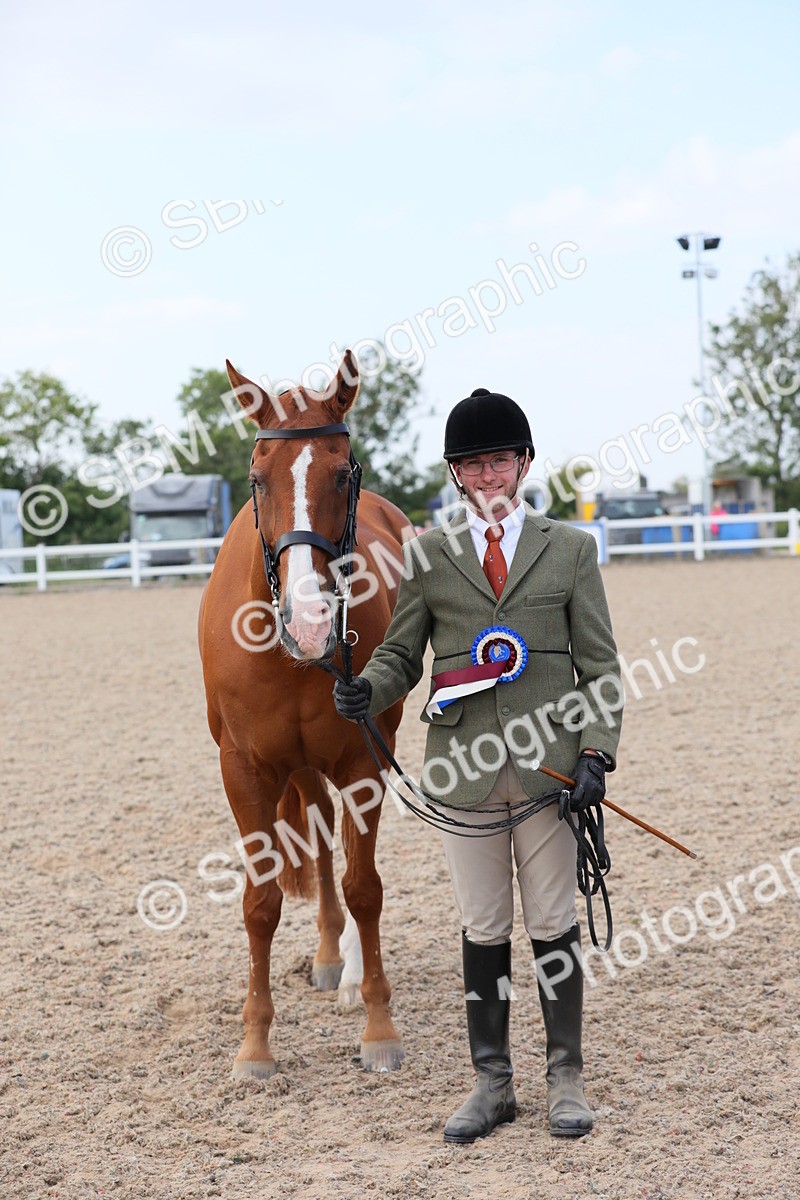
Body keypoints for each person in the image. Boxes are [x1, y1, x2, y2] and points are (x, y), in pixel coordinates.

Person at [333, 388, 623, 1144]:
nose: (488, 475)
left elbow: (600, 666)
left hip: (551, 775)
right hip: (463, 769)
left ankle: (566, 1074)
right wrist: (371, 687)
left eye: (499, 460)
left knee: (554, 924)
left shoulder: (569, 549)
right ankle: (492, 1081)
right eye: (473, 465)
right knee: (483, 926)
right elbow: (402, 651)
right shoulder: (428, 555)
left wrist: (597, 752)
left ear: (523, 464)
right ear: (457, 476)